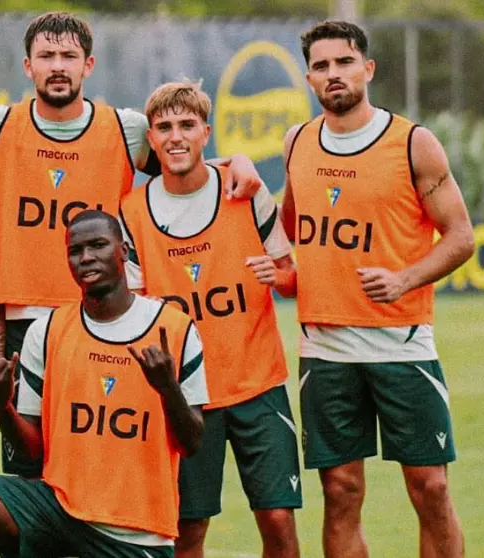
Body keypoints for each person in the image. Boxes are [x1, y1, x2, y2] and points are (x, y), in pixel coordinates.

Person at [0, 11, 262, 479]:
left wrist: (237, 160)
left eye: (69, 56)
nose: (58, 66)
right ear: (28, 66)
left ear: (89, 65)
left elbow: (182, 163)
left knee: (101, 461)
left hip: (100, 321)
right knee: (27, 469)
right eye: (46, 56)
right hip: (22, 328)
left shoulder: (124, 129)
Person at [0, 209, 210, 558]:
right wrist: (4, 405)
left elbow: (191, 443)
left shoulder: (175, 329)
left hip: (136, 534)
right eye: (75, 250)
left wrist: (168, 389)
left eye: (98, 245)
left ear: (123, 251)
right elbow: (31, 449)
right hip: (58, 511)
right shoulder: (48, 331)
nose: (86, 257)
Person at [281, 20, 474, 558]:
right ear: (309, 78)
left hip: (401, 343)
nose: (333, 74)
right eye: (321, 66)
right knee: (340, 492)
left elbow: (461, 236)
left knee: (430, 488)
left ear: (367, 68)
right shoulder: (297, 142)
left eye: (344, 62)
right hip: (325, 348)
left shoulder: (413, 143)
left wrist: (403, 278)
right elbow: (294, 225)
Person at [119, 80, 301, 558]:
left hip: (258, 386)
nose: (176, 136)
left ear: (206, 131)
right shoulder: (132, 212)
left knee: (279, 522)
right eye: (164, 128)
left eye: (187, 125)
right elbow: (133, 312)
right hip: (187, 397)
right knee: (188, 530)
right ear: (151, 139)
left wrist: (278, 277)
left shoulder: (247, 192)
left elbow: (291, 277)